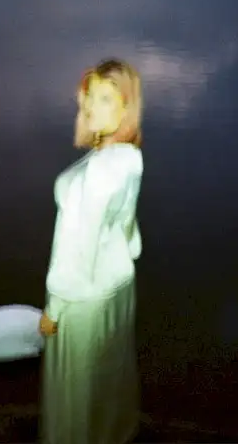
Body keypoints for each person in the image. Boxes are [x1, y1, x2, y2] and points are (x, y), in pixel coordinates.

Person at [39, 58, 144, 444]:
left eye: (106, 99)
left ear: (126, 107)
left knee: (74, 391)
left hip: (81, 298)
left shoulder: (99, 173)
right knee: (106, 379)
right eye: (90, 96)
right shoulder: (129, 157)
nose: (91, 106)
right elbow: (127, 225)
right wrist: (126, 252)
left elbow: (76, 247)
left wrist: (54, 310)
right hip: (117, 284)